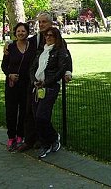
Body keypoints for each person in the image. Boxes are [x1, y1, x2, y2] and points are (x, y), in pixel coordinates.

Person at [14, 12, 72, 152]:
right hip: (33, 81)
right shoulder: (35, 39)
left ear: (50, 23)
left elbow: (66, 57)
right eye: (39, 22)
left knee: (42, 113)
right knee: (30, 111)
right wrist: (9, 43)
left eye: (44, 22)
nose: (41, 25)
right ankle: (30, 139)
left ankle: (43, 139)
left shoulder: (58, 40)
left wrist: (68, 72)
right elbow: (20, 40)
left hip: (48, 83)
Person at [30, 26, 68, 158]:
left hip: (50, 87)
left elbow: (60, 70)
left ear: (56, 37)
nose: (48, 37)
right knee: (37, 117)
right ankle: (50, 139)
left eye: (51, 35)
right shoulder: (42, 51)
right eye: (47, 35)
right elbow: (33, 67)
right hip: (37, 87)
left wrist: (46, 82)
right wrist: (34, 80)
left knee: (42, 116)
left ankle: (48, 142)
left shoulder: (59, 51)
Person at [1, 22, 36, 151]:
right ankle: (11, 137)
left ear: (27, 32)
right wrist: (9, 74)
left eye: (23, 31)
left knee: (24, 111)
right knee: (11, 111)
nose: (21, 33)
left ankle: (21, 136)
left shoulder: (32, 46)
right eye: (18, 31)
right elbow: (4, 65)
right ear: (15, 33)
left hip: (26, 84)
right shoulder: (10, 47)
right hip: (12, 84)